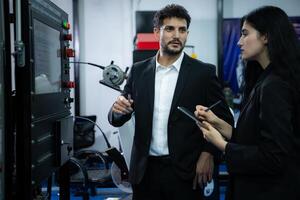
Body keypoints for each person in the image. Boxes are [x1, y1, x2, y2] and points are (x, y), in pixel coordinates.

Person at [108, 4, 233, 200]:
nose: (177, 35)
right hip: (144, 172)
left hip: (187, 172)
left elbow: (225, 119)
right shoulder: (139, 71)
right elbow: (117, 116)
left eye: (182, 30)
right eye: (170, 29)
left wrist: (208, 154)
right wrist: (117, 111)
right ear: (157, 32)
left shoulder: (203, 73)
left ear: (187, 33)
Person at [195, 6, 300, 200]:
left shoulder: (274, 86)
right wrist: (217, 123)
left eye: (245, 34)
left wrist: (221, 145)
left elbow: (273, 157)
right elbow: (253, 140)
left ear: (266, 37)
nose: (238, 41)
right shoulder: (264, 80)